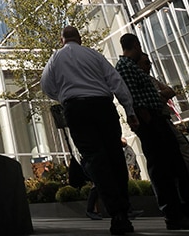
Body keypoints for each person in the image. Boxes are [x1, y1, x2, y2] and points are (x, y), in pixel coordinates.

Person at [41, 26, 137, 236]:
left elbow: (46, 85)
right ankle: (123, 207)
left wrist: (64, 96)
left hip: (76, 109)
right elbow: (116, 81)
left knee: (95, 159)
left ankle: (116, 214)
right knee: (114, 156)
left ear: (61, 39)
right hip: (103, 106)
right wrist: (129, 110)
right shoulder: (94, 55)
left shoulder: (56, 58)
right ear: (80, 38)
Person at [116, 35, 189, 230]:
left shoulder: (132, 67)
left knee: (175, 165)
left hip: (156, 119)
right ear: (135, 45)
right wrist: (145, 117)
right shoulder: (125, 66)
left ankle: (186, 212)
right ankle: (174, 215)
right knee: (162, 168)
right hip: (151, 120)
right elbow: (131, 94)